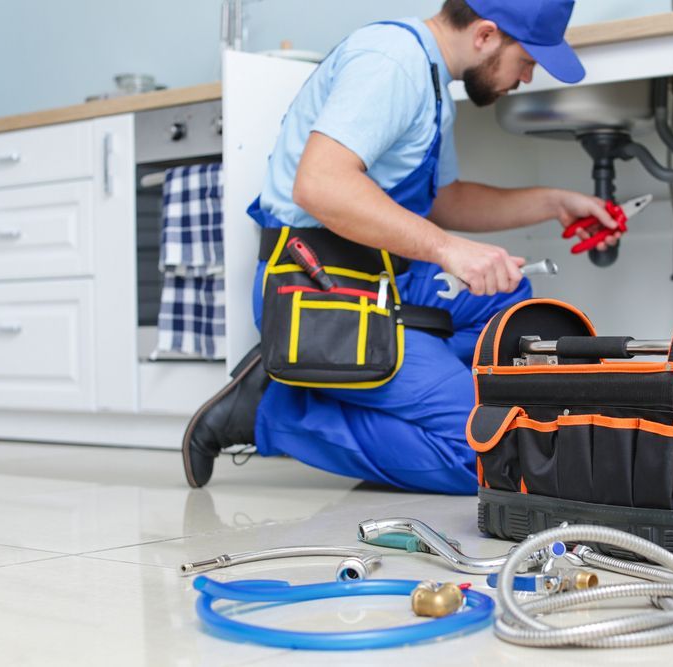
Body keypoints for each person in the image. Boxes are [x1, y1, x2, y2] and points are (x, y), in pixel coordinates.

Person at [182, 0, 619, 493]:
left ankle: (404, 392)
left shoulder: (430, 75)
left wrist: (554, 202)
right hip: (320, 284)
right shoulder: (391, 63)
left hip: (384, 275)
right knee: (485, 456)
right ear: (485, 36)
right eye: (527, 60)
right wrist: (449, 251)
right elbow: (320, 185)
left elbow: (444, 201)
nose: (527, 76)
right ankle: (269, 412)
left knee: (509, 304)